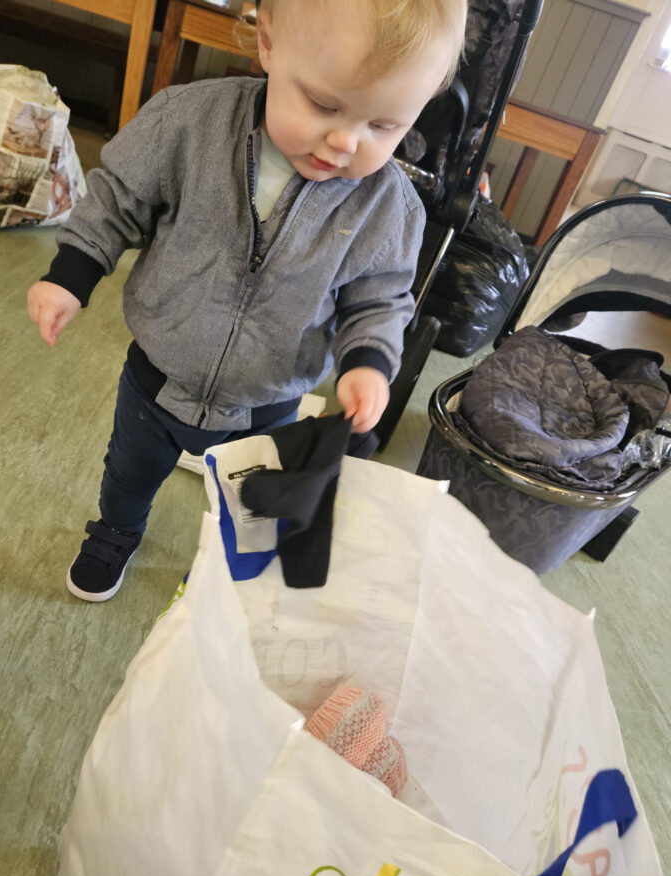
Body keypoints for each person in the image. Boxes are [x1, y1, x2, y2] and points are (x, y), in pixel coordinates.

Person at [27, 0, 466, 602]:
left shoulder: (385, 209)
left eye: (384, 126)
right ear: (268, 42)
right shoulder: (188, 122)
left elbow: (380, 299)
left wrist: (369, 363)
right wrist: (70, 275)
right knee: (128, 474)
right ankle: (115, 531)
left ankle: (217, 569)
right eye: (323, 104)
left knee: (249, 506)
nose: (344, 141)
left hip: (268, 401)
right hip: (156, 377)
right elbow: (117, 198)